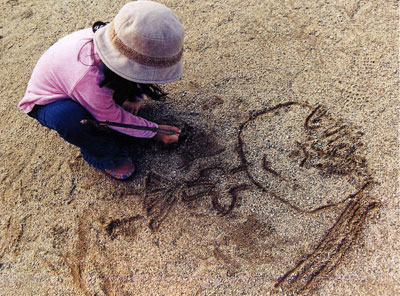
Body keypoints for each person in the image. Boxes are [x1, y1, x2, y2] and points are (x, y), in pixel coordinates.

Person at [18, 1, 184, 180]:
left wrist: (136, 97)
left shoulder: (126, 38)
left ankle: (104, 108)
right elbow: (112, 117)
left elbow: (142, 68)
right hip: (49, 101)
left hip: (85, 85)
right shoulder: (89, 77)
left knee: (121, 83)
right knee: (72, 119)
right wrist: (154, 131)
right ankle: (107, 157)